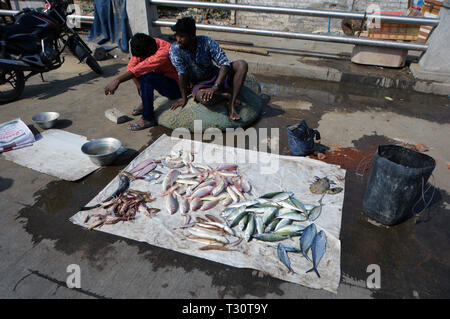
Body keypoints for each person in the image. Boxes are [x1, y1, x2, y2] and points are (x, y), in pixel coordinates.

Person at [168, 17, 248, 121]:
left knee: (242, 65)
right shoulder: (175, 50)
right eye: (176, 36)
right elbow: (182, 74)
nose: (178, 40)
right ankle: (225, 96)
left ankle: (231, 105)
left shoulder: (206, 41)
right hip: (199, 84)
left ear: (192, 35)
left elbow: (224, 63)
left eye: (182, 36)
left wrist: (215, 86)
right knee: (205, 99)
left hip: (216, 76)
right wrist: (184, 99)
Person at [104, 33, 181, 130]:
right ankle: (146, 102)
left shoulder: (164, 51)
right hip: (164, 82)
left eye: (144, 56)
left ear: (151, 49)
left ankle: (148, 118)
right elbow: (131, 67)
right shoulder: (145, 45)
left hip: (177, 88)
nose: (141, 58)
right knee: (140, 75)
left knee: (146, 76)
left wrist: (117, 80)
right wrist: (141, 91)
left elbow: (139, 69)